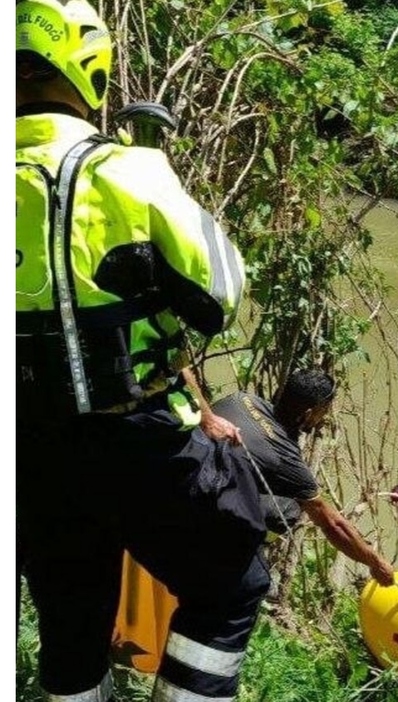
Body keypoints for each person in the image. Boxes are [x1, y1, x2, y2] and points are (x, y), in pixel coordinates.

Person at [16, 2, 265, 700]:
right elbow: (221, 294)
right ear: (89, 66)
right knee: (232, 581)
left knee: (70, 613)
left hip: (30, 451)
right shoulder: (130, 171)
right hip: (138, 441)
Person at [210, 370, 397, 587]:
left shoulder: (240, 398)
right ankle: (238, 557)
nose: (324, 418)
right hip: (202, 513)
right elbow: (332, 524)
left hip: (180, 478)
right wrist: (374, 561)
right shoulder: (285, 458)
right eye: (323, 411)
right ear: (308, 414)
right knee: (289, 509)